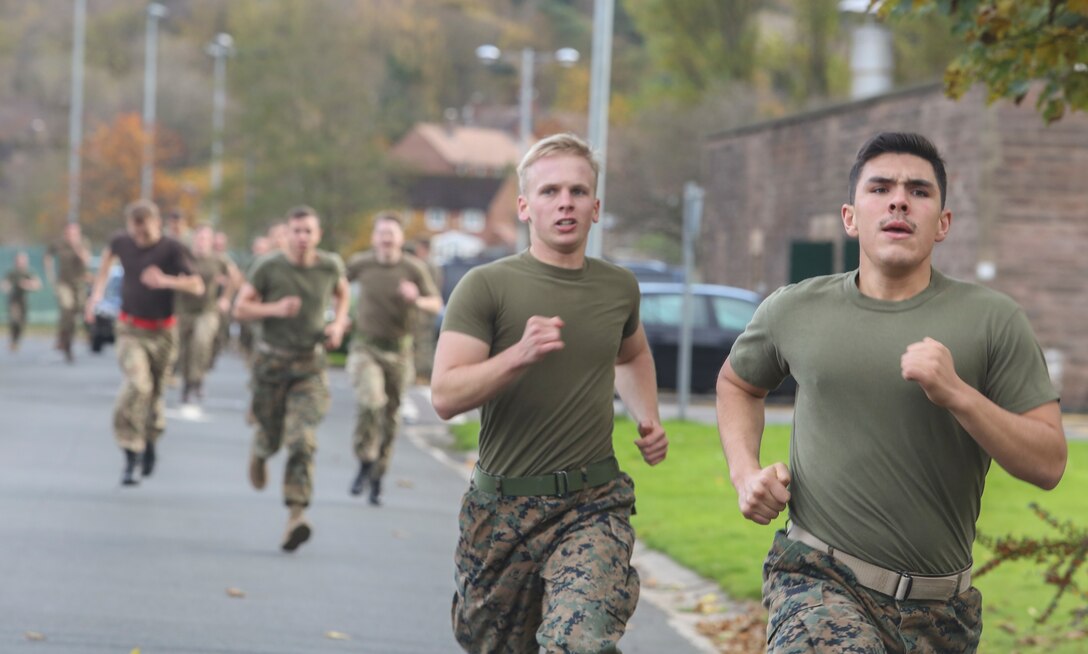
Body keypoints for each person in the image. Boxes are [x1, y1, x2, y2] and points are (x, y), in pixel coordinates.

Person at [716, 132, 1067, 653]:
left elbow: (1049, 462)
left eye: (919, 191)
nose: (899, 201)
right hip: (819, 579)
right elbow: (737, 384)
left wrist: (959, 395)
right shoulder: (794, 309)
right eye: (880, 188)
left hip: (943, 611)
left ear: (943, 223)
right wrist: (745, 473)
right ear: (850, 217)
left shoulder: (993, 321)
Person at [430, 133, 669, 652]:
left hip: (592, 504)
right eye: (550, 191)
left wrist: (647, 417)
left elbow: (631, 355)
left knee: (577, 641)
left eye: (578, 192)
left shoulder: (618, 287)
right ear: (525, 207)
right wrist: (517, 355)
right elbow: (445, 395)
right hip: (502, 511)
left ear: (595, 208)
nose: (566, 203)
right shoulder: (485, 286)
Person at [233, 206, 349, 552]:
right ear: (287, 234)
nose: (302, 237)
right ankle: (261, 450)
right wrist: (275, 309)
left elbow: (343, 293)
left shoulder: (329, 266)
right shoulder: (269, 266)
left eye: (308, 231)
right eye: (296, 231)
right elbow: (240, 308)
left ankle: (296, 515)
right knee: (271, 434)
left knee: (302, 441)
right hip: (271, 364)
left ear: (318, 235)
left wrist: (337, 325)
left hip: (309, 367)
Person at [86, 200, 204, 486]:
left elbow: (197, 285)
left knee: (155, 395)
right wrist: (96, 296)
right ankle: (131, 451)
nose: (140, 238)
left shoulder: (172, 248)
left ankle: (150, 440)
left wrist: (166, 281)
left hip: (163, 332)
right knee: (138, 385)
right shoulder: (121, 242)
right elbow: (105, 265)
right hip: (130, 329)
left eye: (146, 233)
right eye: (135, 232)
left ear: (157, 225)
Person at [344, 214, 442, 505]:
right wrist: (339, 317)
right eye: (382, 233)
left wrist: (416, 299)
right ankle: (364, 459)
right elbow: (336, 285)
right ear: (374, 238)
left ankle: (377, 476)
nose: (386, 238)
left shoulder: (413, 268)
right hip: (366, 347)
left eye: (392, 233)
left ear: (401, 239)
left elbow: (435, 303)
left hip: (399, 352)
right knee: (370, 401)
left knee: (390, 417)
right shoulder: (361, 263)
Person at [175, 224, 236, 405]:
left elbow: (235, 277)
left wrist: (225, 298)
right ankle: (187, 383)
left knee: (201, 342)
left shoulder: (218, 260)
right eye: (199, 238)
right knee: (184, 349)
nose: (201, 242)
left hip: (207, 311)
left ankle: (198, 379)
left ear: (210, 241)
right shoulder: (183, 257)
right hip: (184, 310)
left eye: (205, 239)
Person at [44, 222, 91, 362]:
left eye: (75, 234)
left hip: (79, 283)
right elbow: (48, 255)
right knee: (66, 308)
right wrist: (50, 274)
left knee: (78, 311)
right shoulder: (59, 244)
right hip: (64, 283)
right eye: (69, 234)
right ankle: (64, 343)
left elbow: (86, 260)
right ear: (65, 234)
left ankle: (66, 341)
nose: (72, 236)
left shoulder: (83, 243)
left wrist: (76, 246)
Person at [406, 237, 443, 383]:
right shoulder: (433, 265)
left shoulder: (427, 266)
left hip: (425, 311)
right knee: (421, 344)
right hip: (425, 310)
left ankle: (423, 375)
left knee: (423, 345)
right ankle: (419, 374)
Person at [2, 252, 42, 351]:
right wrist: (7, 287)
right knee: (14, 320)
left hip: (23, 300)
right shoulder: (12, 272)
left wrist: (28, 284)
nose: (21, 263)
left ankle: (16, 340)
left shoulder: (28, 272)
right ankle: (13, 340)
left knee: (22, 322)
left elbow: (38, 285)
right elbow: (5, 283)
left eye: (23, 261)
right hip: (14, 300)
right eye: (19, 261)